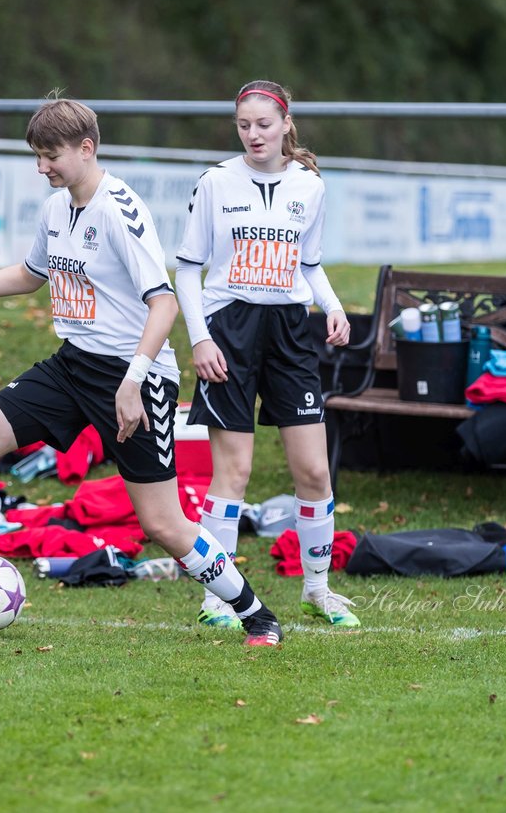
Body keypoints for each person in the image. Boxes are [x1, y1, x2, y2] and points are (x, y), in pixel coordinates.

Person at [0, 95, 285, 647]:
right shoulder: (57, 207)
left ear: (85, 149)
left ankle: (256, 614)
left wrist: (134, 382)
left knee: (163, 524)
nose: (41, 167)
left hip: (132, 377)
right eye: (37, 157)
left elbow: (163, 303)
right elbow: (29, 273)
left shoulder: (118, 209)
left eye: (50, 156)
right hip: (70, 367)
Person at [174, 79, 360, 630]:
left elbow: (309, 262)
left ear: (285, 125)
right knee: (234, 471)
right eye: (243, 125)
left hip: (289, 330)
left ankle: (318, 591)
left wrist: (334, 306)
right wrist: (199, 337)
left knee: (313, 470)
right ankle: (219, 599)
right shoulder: (214, 182)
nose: (253, 134)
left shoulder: (310, 185)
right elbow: (187, 269)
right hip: (229, 327)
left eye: (262, 124)